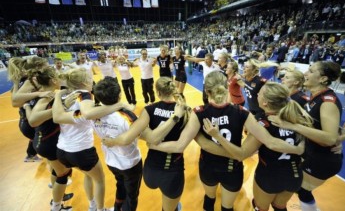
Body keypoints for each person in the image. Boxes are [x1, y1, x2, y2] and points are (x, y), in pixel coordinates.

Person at [147, 72, 303, 211]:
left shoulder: (199, 113)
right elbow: (269, 141)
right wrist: (299, 148)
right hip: (232, 169)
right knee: (227, 207)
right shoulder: (242, 112)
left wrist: (153, 143)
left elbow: (183, 145)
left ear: (207, 91)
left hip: (208, 166)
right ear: (227, 87)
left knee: (209, 200)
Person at [202, 82, 311, 211]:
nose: (257, 94)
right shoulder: (299, 118)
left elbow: (242, 154)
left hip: (269, 176)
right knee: (280, 207)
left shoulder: (262, 122)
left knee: (260, 207)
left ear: (265, 103)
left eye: (260, 93)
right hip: (294, 175)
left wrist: (218, 136)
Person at [102, 77, 189, 211]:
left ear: (157, 93)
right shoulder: (186, 111)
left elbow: (128, 138)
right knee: (170, 206)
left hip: (151, 172)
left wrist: (112, 142)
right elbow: (181, 145)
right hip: (172, 172)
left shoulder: (149, 110)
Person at [268, 61, 345, 211]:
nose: (305, 74)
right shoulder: (315, 97)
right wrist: (340, 136)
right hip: (312, 154)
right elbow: (334, 130)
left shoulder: (327, 101)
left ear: (323, 79)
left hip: (323, 160)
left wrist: (291, 126)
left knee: (299, 190)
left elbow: (329, 138)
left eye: (310, 71)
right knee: (299, 189)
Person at [53, 68, 118, 211]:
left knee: (88, 175)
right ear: (83, 82)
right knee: (100, 180)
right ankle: (100, 210)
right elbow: (88, 113)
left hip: (63, 150)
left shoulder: (66, 96)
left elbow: (62, 116)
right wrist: (116, 106)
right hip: (80, 150)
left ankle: (92, 205)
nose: (92, 80)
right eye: (90, 78)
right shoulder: (84, 95)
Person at [23, 67, 74, 211]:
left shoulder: (49, 95)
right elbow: (33, 120)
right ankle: (56, 206)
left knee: (56, 171)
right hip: (47, 142)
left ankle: (58, 197)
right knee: (63, 174)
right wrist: (61, 107)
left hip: (43, 140)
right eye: (58, 77)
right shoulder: (46, 97)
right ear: (53, 80)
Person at [92, 77, 142, 211]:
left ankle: (116, 208)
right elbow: (142, 134)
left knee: (120, 185)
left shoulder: (93, 114)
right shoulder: (127, 116)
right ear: (120, 95)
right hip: (130, 163)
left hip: (111, 161)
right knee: (132, 196)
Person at [8, 56, 52, 162]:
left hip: (27, 120)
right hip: (28, 122)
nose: (49, 66)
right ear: (38, 66)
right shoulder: (31, 80)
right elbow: (15, 102)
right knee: (48, 150)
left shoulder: (26, 79)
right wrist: (40, 93)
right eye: (46, 64)